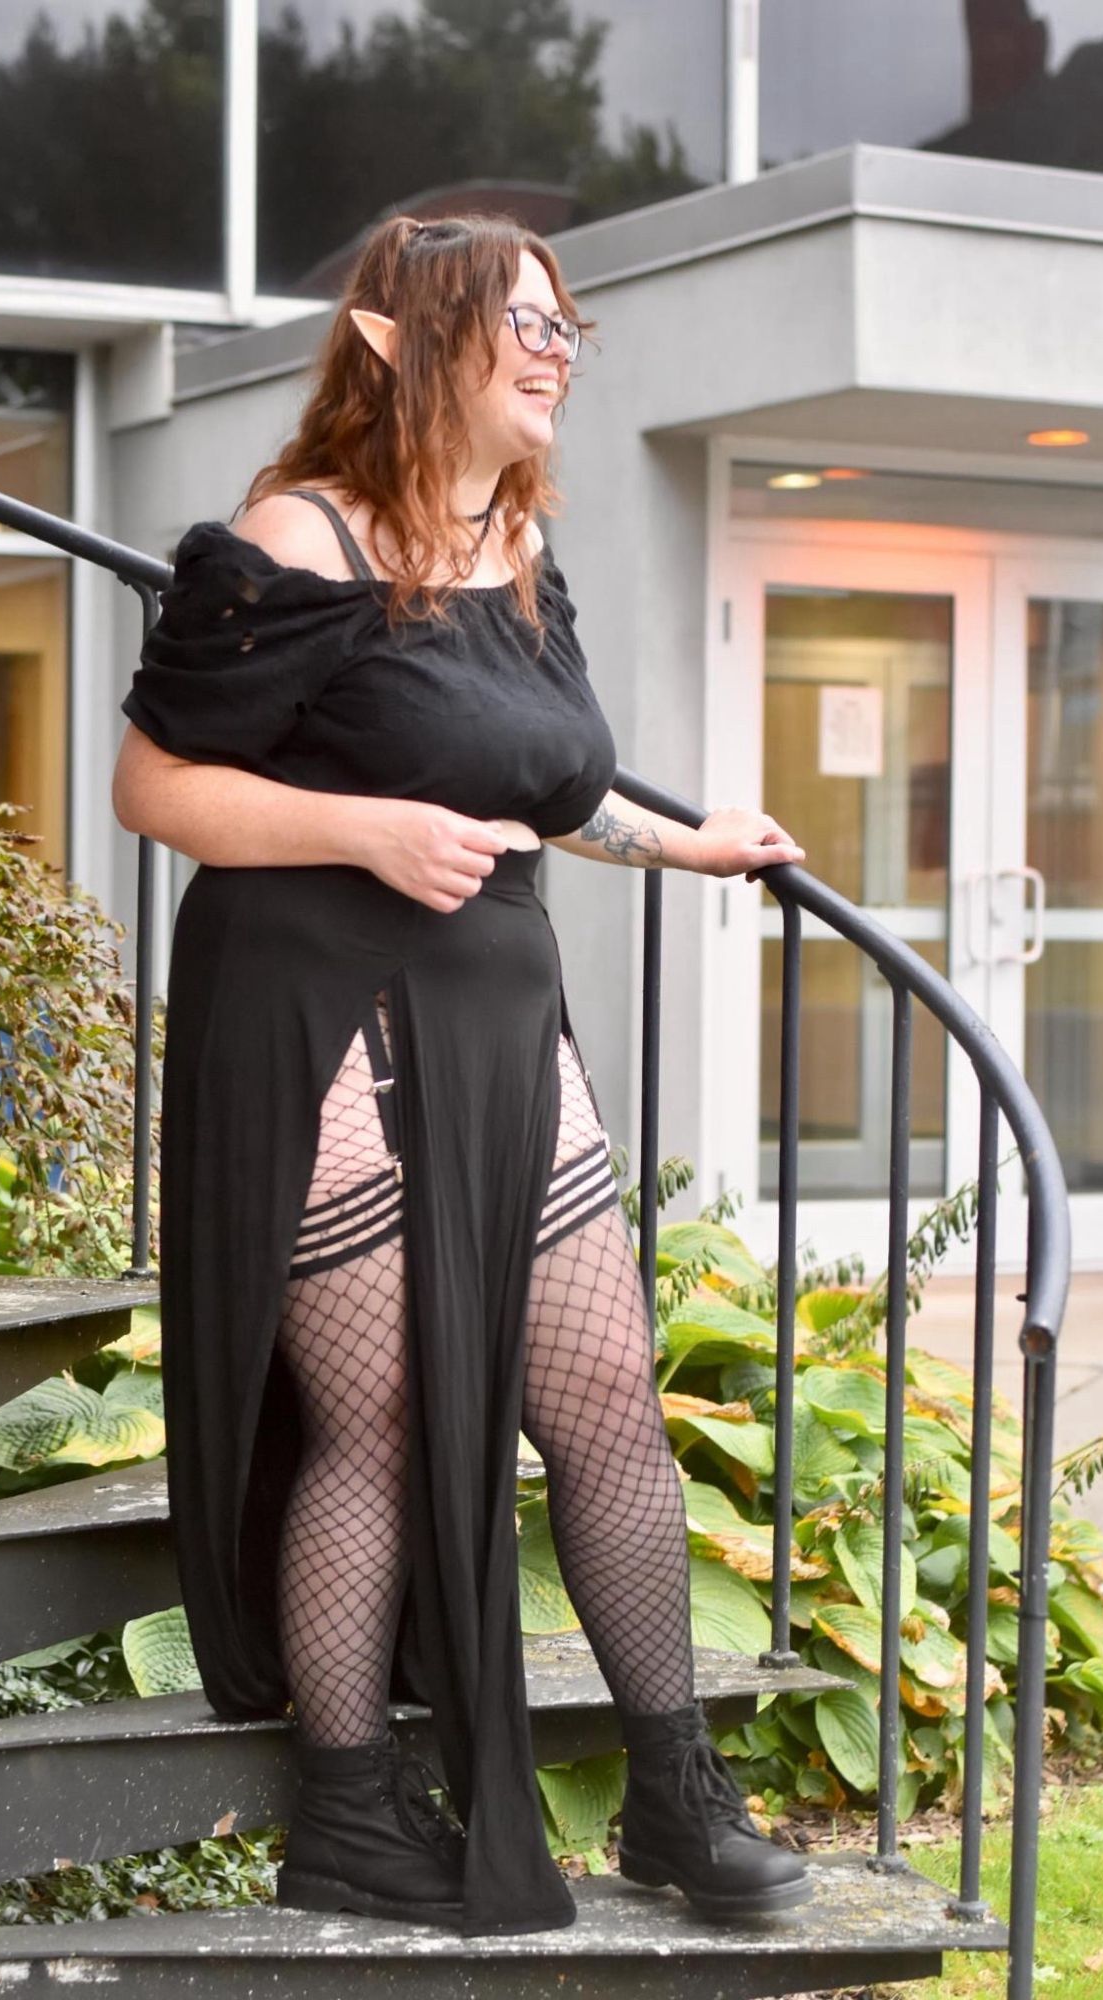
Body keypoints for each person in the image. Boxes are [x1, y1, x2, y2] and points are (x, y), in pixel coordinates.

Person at [112, 212, 809, 1941]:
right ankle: (348, 1811)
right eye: (526, 322)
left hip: (499, 1014)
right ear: (410, 338)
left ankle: (673, 1794)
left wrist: (691, 842)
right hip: (320, 1013)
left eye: (571, 327)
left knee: (601, 1401)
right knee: (384, 1419)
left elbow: (547, 787)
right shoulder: (295, 536)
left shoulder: (512, 550)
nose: (562, 349)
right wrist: (364, 829)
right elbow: (150, 786)